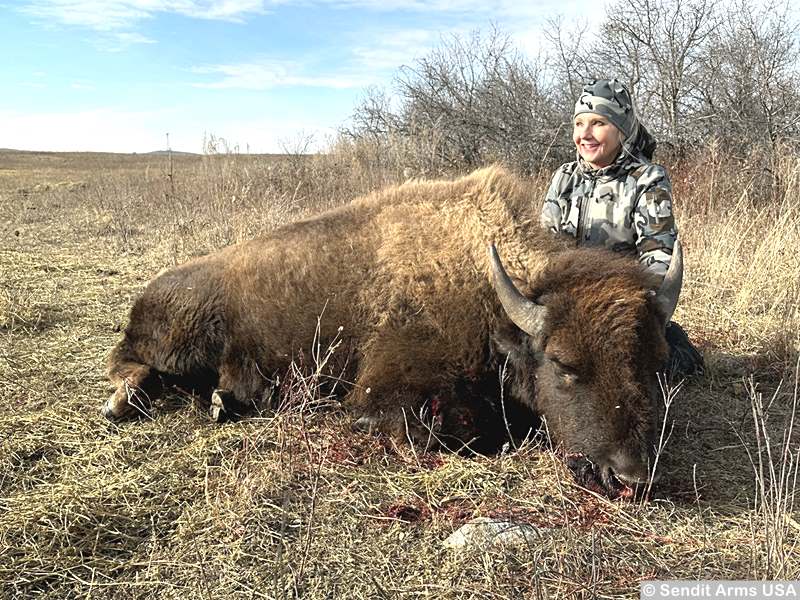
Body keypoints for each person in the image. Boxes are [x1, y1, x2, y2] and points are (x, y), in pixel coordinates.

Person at [540, 78, 703, 377]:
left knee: (642, 372)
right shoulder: (563, 177)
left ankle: (679, 352)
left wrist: (638, 312)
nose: (584, 134)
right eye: (579, 124)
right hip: (568, 304)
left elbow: (658, 260)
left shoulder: (647, 179)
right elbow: (544, 250)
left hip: (619, 307)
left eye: (598, 123)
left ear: (621, 129)